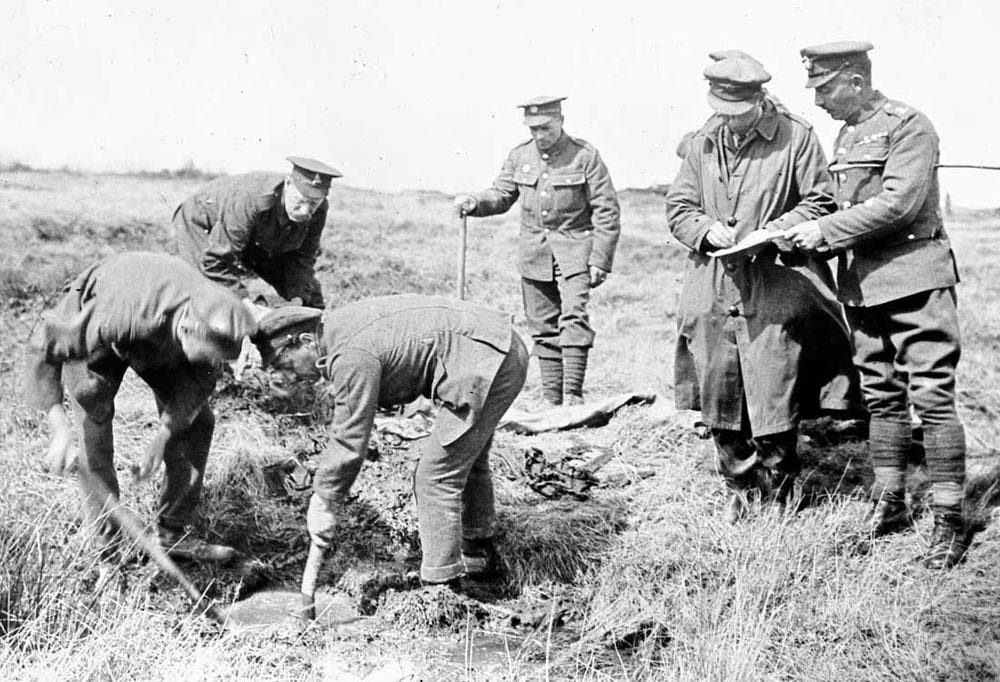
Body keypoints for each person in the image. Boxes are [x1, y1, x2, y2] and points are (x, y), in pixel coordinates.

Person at [784, 41, 969, 568]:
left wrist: (823, 231)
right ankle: (890, 502)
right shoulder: (846, 136)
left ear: (856, 81)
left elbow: (898, 204)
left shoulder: (910, 125)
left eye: (824, 88)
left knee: (931, 397)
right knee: (881, 397)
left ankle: (949, 518)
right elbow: (844, 205)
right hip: (862, 285)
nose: (818, 100)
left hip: (914, 282)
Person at [665, 55, 860, 522]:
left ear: (759, 100)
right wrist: (707, 229)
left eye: (738, 112)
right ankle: (738, 486)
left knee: (775, 383)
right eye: (720, 110)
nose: (728, 122)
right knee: (718, 382)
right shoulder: (703, 140)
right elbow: (678, 206)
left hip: (776, 277)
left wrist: (774, 230)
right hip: (714, 284)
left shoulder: (797, 137)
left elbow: (821, 201)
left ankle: (780, 490)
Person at [253, 295, 528, 586]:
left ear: (306, 340)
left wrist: (324, 498)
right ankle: (479, 555)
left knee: (435, 477)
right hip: (496, 347)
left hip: (489, 361)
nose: (289, 375)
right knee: (466, 459)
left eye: (286, 363)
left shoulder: (351, 355)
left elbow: (349, 440)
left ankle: (443, 586)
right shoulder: (339, 332)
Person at [24, 252, 257, 563]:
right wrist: (58, 427)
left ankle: (173, 534)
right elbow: (44, 346)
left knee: (198, 423)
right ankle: (106, 551)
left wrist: (163, 436)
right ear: (186, 329)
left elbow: (195, 387)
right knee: (92, 419)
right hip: (104, 316)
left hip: (158, 338)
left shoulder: (215, 330)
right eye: (206, 357)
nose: (211, 366)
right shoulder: (123, 312)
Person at [453, 96, 620, 407]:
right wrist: (475, 202)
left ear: (561, 120)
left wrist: (600, 258)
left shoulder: (584, 156)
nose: (540, 135)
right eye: (533, 129)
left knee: (574, 318)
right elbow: (502, 194)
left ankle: (572, 394)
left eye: (545, 127)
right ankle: (551, 398)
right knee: (542, 326)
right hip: (534, 253)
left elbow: (606, 210)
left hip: (575, 250)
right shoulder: (520, 156)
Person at [173, 156, 341, 311]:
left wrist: (298, 300)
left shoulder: (319, 210)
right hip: (202, 223)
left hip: (254, 237)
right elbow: (215, 261)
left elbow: (303, 259)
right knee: (209, 295)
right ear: (288, 183)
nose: (305, 211)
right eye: (300, 201)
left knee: (310, 297)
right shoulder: (252, 198)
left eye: (313, 203)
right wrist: (245, 304)